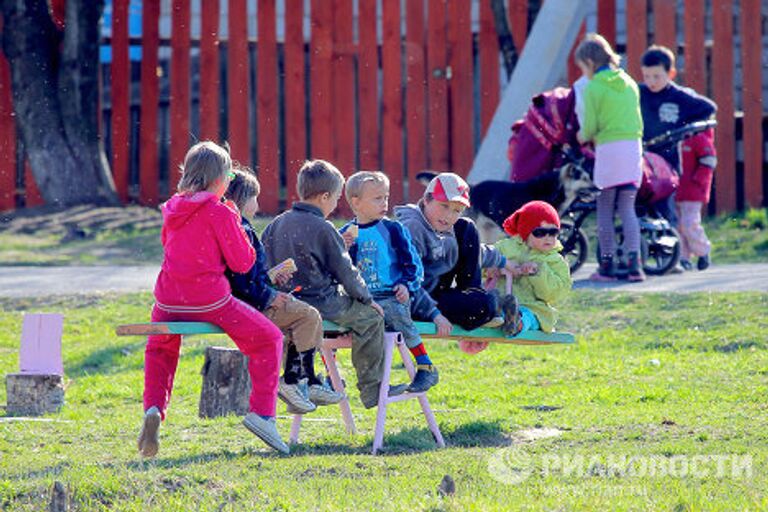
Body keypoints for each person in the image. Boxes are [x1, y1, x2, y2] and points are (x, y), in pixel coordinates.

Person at [138, 141, 288, 457]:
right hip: (210, 300)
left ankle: (152, 409)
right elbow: (242, 263)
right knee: (268, 339)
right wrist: (234, 219)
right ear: (221, 180)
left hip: (167, 299)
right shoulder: (220, 212)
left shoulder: (171, 208)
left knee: (160, 349)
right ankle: (263, 414)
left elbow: (171, 247)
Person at [262, 160, 406, 409]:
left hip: (287, 302)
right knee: (371, 320)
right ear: (325, 196)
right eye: (336, 198)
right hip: (323, 301)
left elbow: (266, 263)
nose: (336, 204)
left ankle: (308, 383)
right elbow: (346, 273)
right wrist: (367, 299)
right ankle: (372, 389)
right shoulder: (323, 227)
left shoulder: (277, 223)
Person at [224, 168, 344, 415]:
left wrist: (271, 277)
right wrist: (269, 295)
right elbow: (241, 282)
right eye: (255, 198)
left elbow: (246, 277)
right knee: (308, 316)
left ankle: (297, 380)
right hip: (252, 305)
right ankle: (301, 380)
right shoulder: (241, 230)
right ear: (243, 199)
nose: (258, 204)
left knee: (298, 320)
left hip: (250, 300)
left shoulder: (237, 228)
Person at [340, 171, 437, 393]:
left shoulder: (392, 229)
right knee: (339, 322)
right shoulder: (346, 233)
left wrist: (406, 285)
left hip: (392, 294)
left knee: (397, 315)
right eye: (377, 198)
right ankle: (334, 375)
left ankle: (425, 365)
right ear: (356, 202)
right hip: (363, 298)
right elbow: (339, 269)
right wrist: (342, 249)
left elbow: (413, 265)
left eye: (386, 197)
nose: (384, 203)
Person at [394, 173, 520, 336]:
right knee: (480, 306)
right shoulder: (412, 229)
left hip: (438, 291)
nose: (449, 215)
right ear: (426, 200)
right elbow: (407, 281)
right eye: (444, 206)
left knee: (466, 227)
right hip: (414, 300)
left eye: (457, 210)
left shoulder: (443, 225)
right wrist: (435, 315)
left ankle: (479, 297)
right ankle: (490, 305)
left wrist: (502, 261)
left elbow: (472, 250)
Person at [575, 33, 645, 282]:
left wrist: (580, 136)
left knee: (605, 206)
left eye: (583, 67)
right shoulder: (629, 81)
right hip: (632, 148)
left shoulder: (594, 87)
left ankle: (607, 265)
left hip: (609, 149)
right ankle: (634, 265)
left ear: (590, 63)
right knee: (627, 207)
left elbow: (591, 126)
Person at [461, 201, 572, 354]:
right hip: (499, 300)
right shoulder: (505, 248)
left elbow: (556, 293)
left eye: (553, 232)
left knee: (529, 317)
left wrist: (538, 272)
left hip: (534, 307)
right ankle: (492, 319)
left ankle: (515, 322)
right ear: (525, 233)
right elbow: (481, 263)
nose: (548, 238)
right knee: (487, 307)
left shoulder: (555, 261)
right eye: (540, 232)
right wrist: (491, 269)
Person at [639, 44, 717, 225]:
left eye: (657, 76)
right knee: (640, 204)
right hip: (643, 160)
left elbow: (708, 108)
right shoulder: (639, 92)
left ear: (671, 74)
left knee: (665, 209)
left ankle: (673, 246)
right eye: (647, 76)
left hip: (668, 161)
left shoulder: (678, 96)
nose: (651, 81)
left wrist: (682, 128)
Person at [676, 129, 717, 271]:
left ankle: (703, 252)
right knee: (678, 226)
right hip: (676, 189)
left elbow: (709, 161)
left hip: (693, 190)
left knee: (689, 224)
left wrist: (697, 181)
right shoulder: (678, 138)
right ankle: (682, 258)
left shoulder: (699, 139)